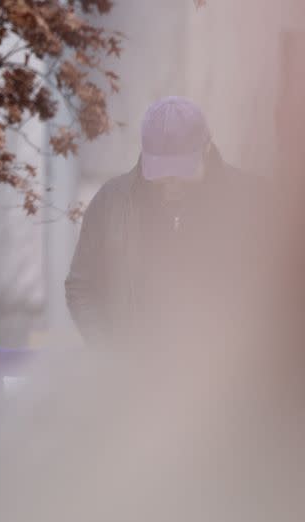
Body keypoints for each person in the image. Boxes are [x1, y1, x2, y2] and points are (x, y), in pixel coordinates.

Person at [65, 96, 258, 353]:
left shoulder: (251, 202)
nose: (170, 182)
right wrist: (106, 353)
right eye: (161, 172)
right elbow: (81, 285)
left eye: (181, 171)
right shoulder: (112, 202)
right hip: (137, 380)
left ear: (207, 149)